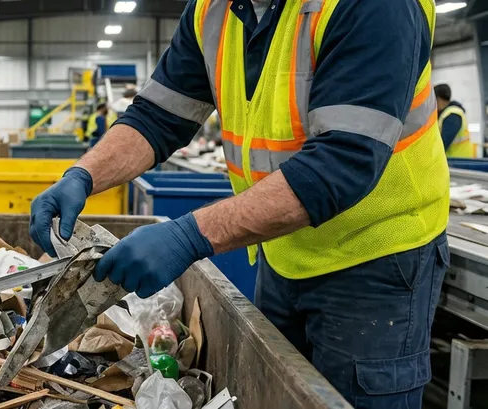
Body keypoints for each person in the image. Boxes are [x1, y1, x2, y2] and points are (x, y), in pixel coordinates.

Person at [29, 1, 448, 408]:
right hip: (286, 250)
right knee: (275, 394)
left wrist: (188, 235)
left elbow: (342, 163)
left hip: (376, 258)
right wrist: (83, 175)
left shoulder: (376, 7)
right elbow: (158, 117)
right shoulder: (214, 10)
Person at [434, 84, 476, 158]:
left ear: (439, 99)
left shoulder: (452, 116)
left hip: (458, 162)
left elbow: (443, 143)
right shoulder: (447, 113)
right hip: (458, 160)